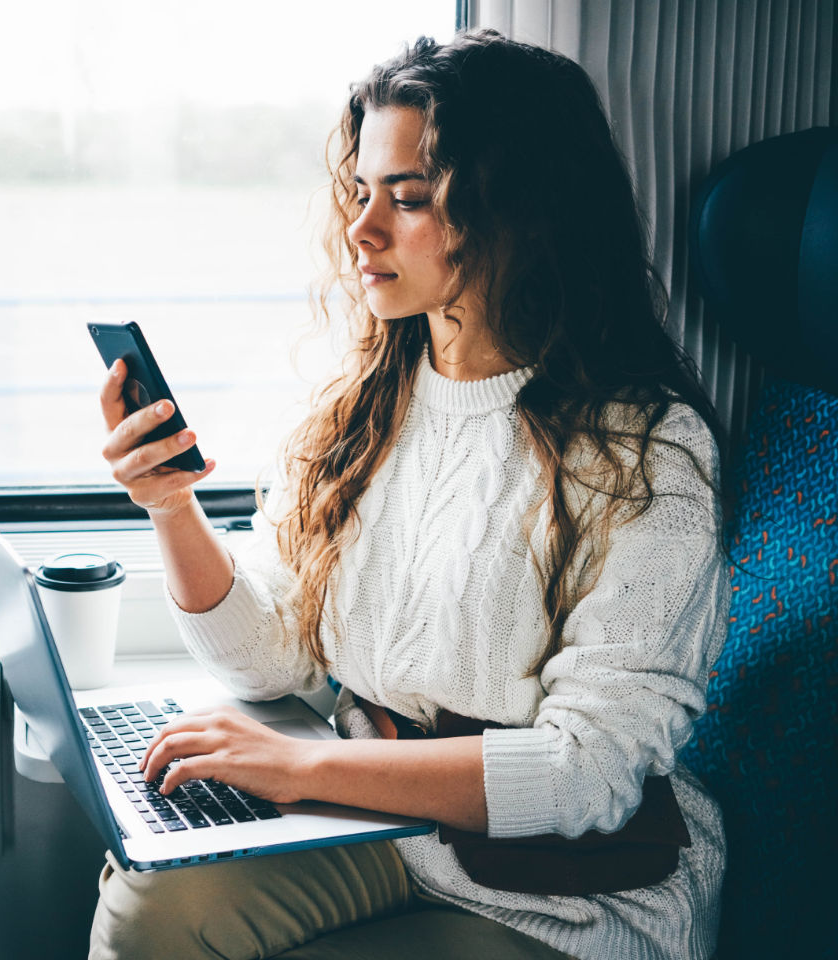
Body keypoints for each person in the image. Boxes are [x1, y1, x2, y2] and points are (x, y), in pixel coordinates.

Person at [90, 30, 727, 960]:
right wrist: (169, 508)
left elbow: (587, 771)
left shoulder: (646, 453)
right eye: (360, 193)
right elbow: (268, 659)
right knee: (152, 911)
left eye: (411, 199)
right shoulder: (362, 407)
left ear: (523, 215)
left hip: (567, 896)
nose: (362, 231)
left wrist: (303, 766)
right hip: (392, 828)